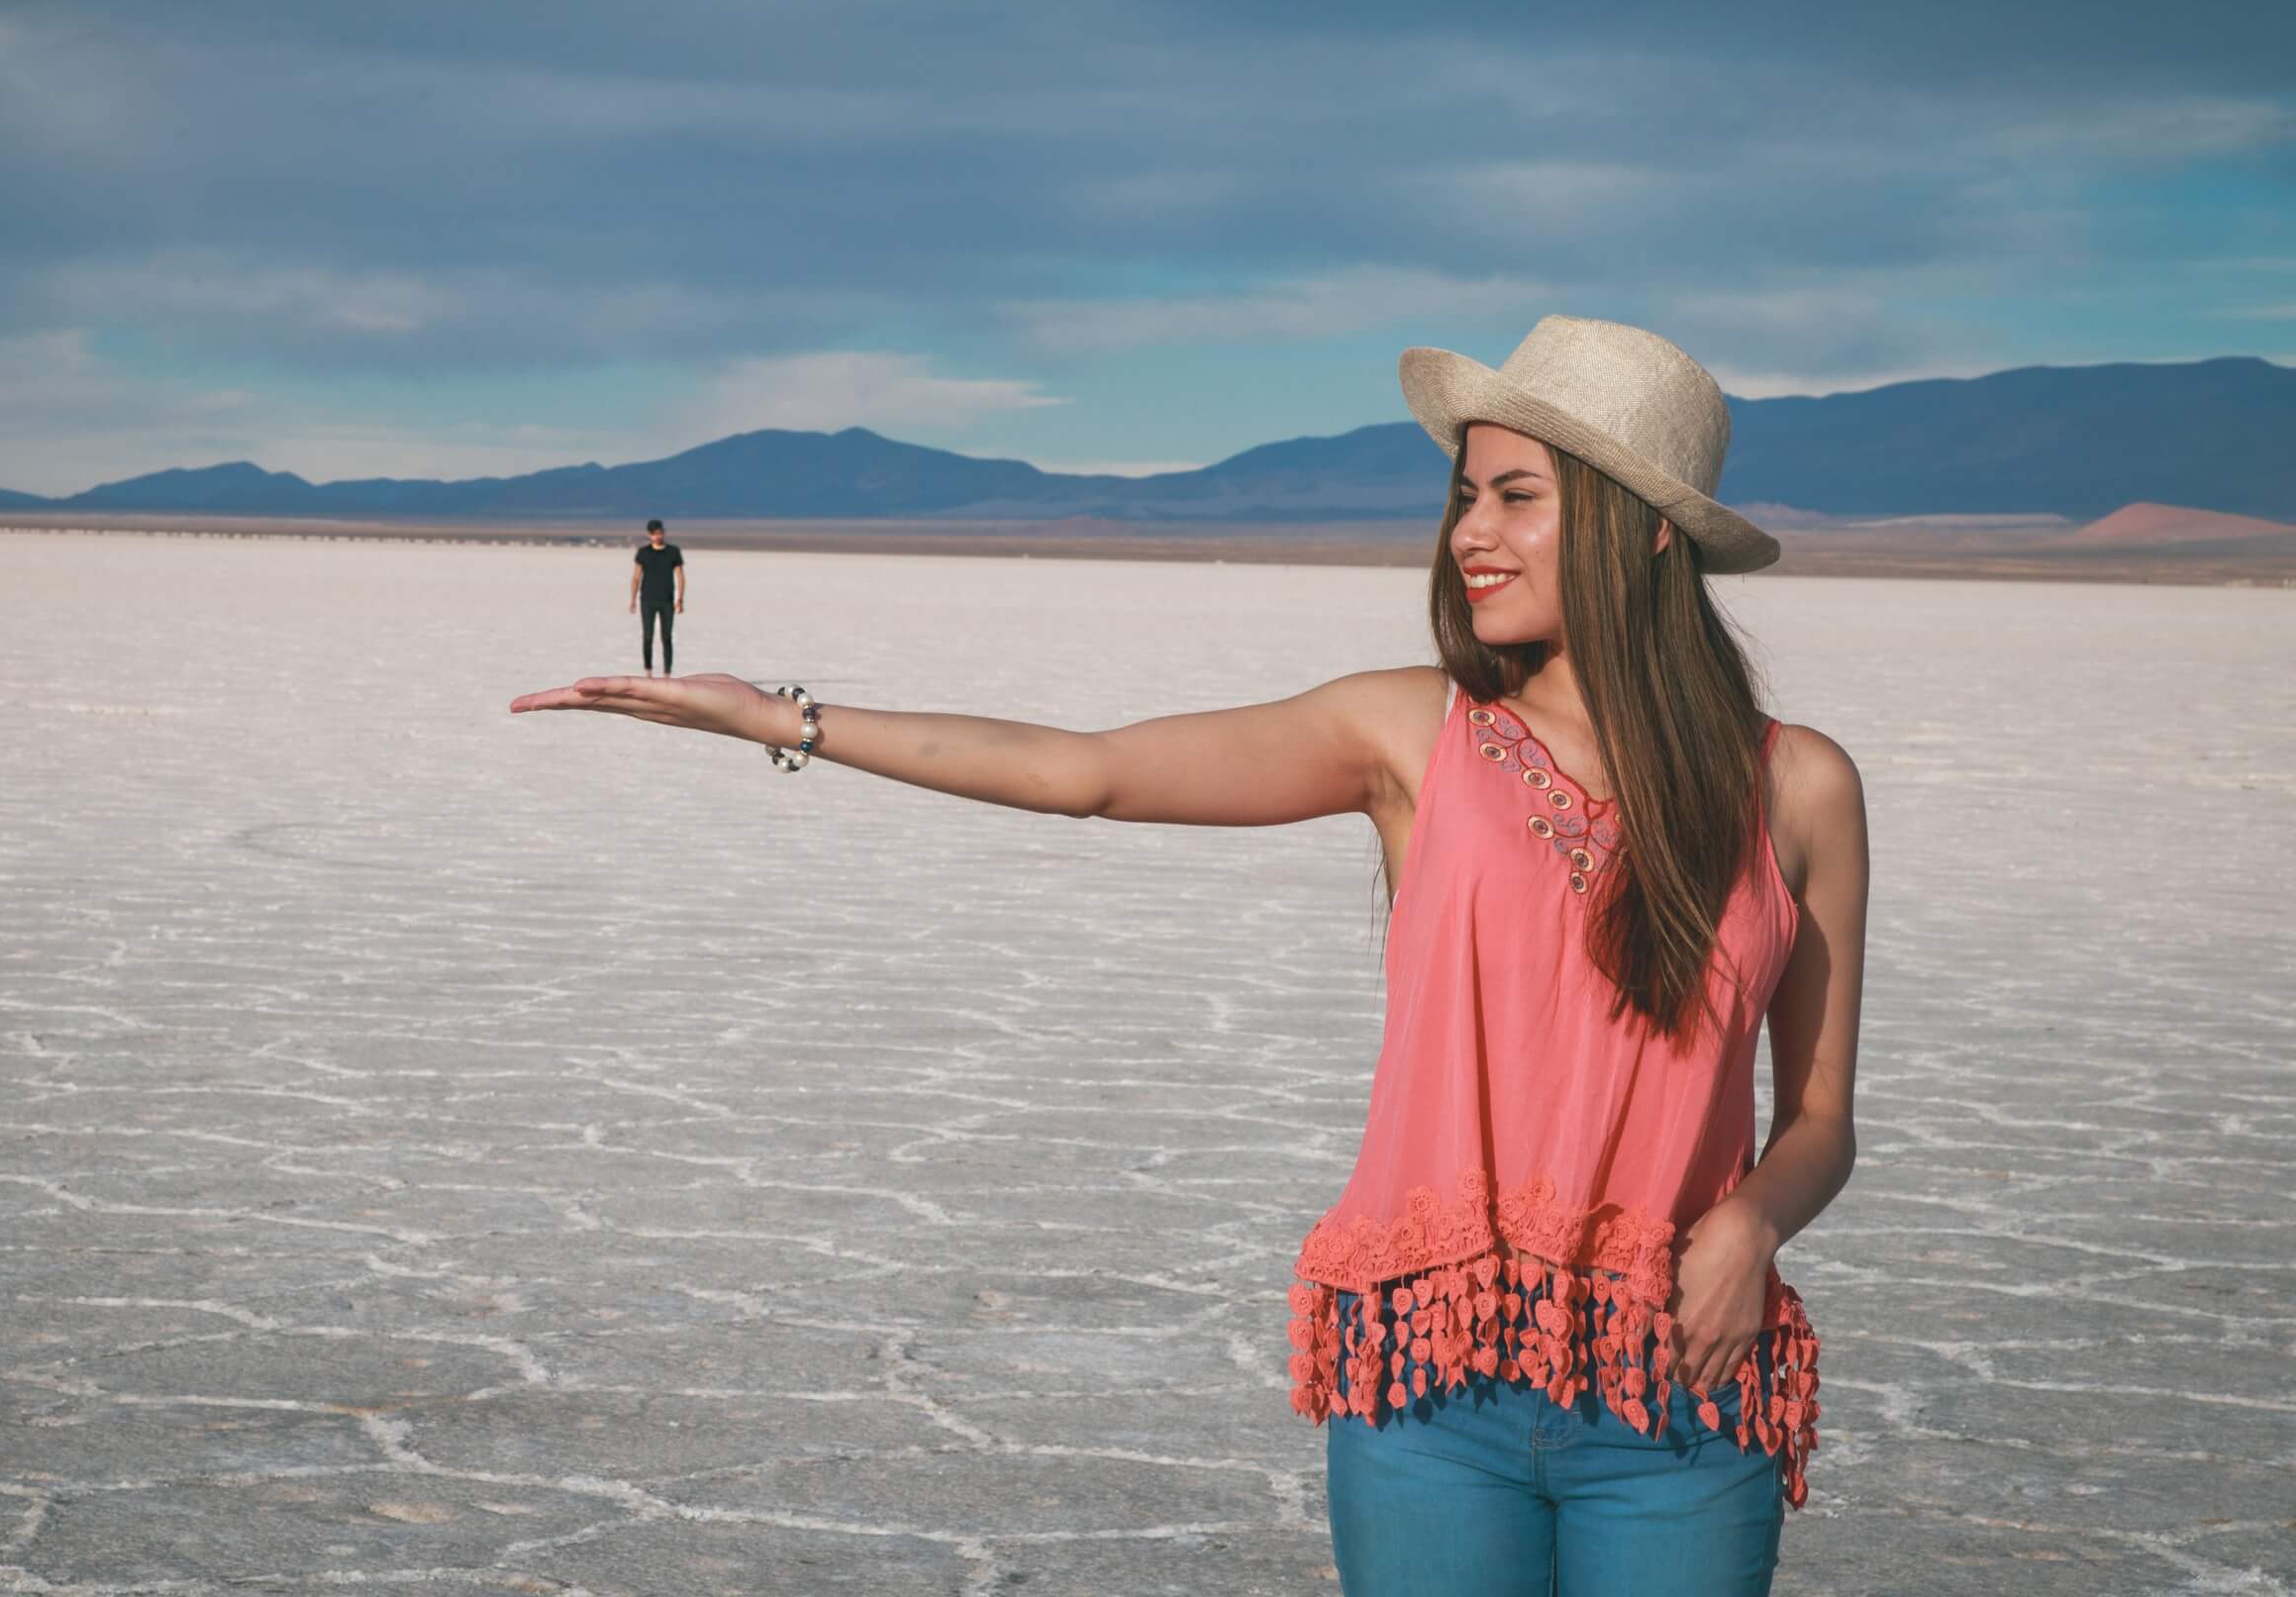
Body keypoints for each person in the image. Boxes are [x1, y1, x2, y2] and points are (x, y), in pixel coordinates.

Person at [512, 317, 1866, 1595]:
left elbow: (1817, 1120)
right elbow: (1085, 771)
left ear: (1638, 531)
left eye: (1517, 497)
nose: (1472, 535)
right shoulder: (1411, 737)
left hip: (1681, 1394)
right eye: (1465, 498)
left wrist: (1751, 1220)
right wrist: (782, 717)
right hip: (1429, 1401)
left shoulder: (1794, 790)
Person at [629, 519, 683, 674]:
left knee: (666, 637)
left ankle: (667, 673)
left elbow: (680, 576)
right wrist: (632, 599)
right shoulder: (643, 553)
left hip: (667, 601)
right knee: (648, 637)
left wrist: (680, 598)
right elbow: (636, 577)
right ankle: (648, 672)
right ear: (649, 535)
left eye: (660, 533)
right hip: (647, 600)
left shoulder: (673, 552)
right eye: (654, 533)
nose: (658, 536)